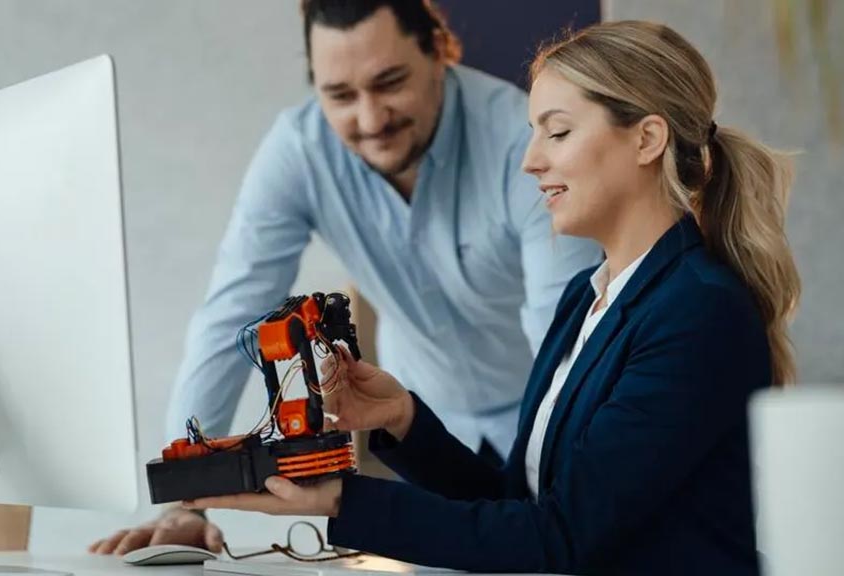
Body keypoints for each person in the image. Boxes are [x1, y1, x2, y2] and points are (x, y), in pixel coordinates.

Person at [185, 20, 802, 576]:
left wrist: (345, 499)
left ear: (646, 140)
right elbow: (522, 502)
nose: (531, 161)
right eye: (534, 134)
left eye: (557, 132)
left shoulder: (698, 313)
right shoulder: (586, 300)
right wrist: (403, 418)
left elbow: (561, 538)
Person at [88, 0, 599, 556]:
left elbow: (566, 334)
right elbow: (230, 316)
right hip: (426, 437)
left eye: (390, 82)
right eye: (340, 95)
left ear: (437, 50)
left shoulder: (520, 143)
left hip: (544, 422)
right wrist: (189, 498)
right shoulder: (300, 151)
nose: (370, 118)